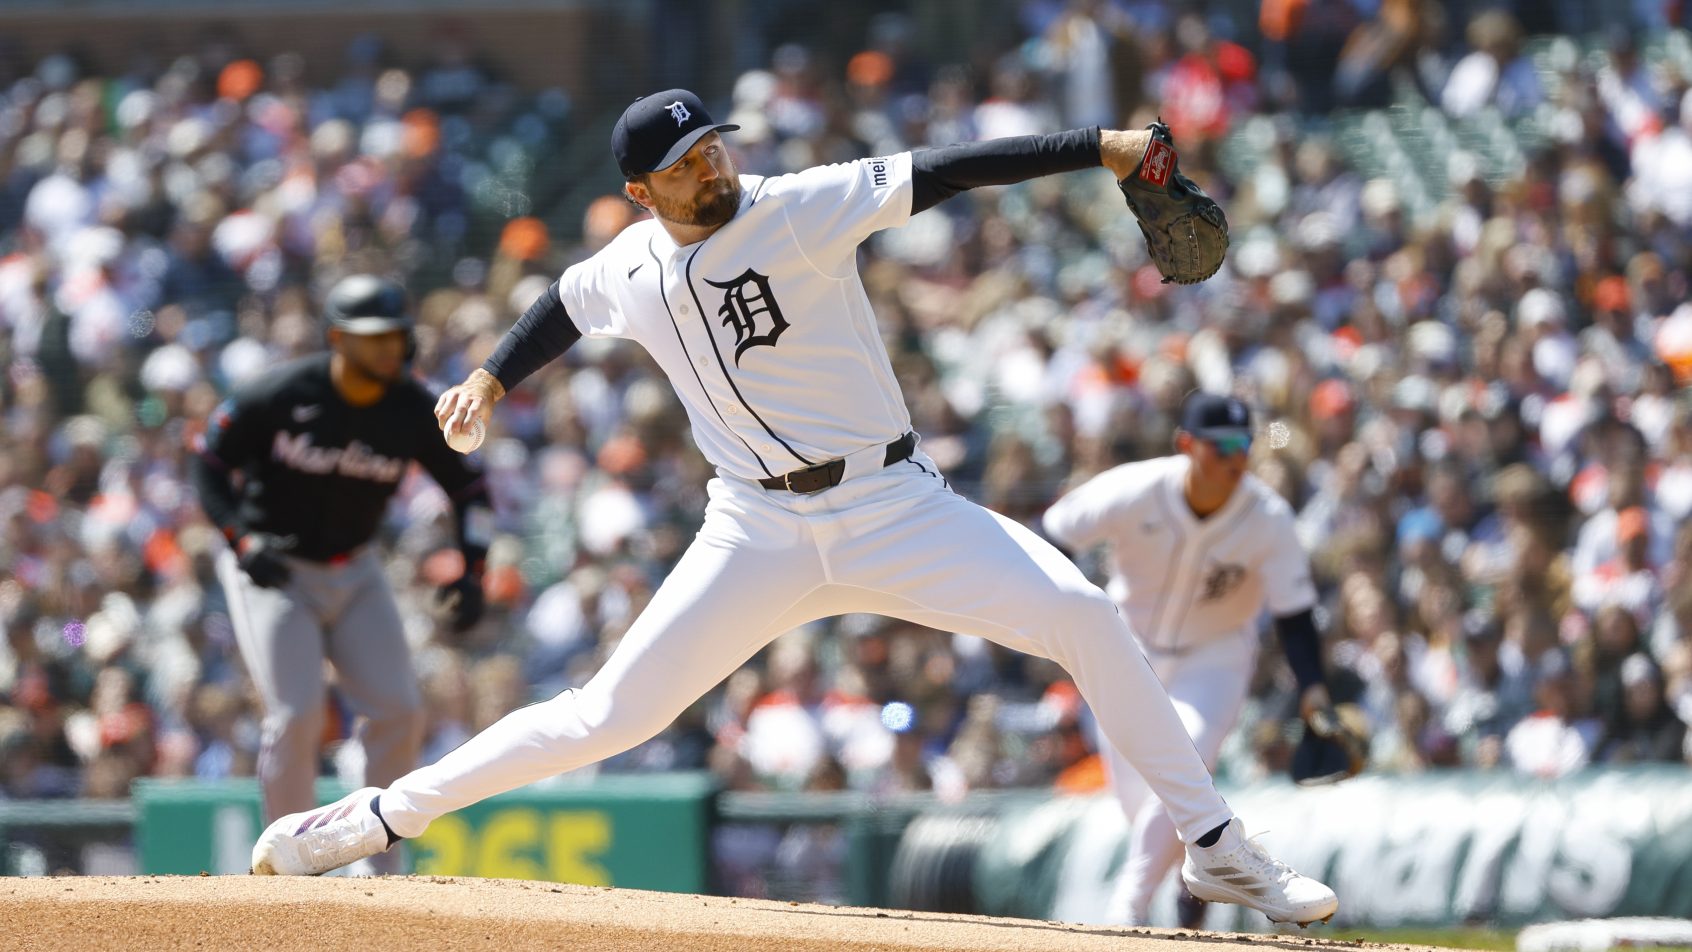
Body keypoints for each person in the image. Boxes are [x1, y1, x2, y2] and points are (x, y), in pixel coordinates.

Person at [249, 89, 1337, 927]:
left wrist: (1094, 146)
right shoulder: (629, 265)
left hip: (892, 502)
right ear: (644, 193)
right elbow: (561, 305)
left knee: (1086, 618)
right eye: (685, 163)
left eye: (713, 144)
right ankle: (377, 816)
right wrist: (488, 378)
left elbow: (948, 171)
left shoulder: (797, 205)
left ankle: (1214, 842)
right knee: (608, 715)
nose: (712, 164)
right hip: (755, 531)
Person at [192, 274, 492, 848]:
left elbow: (470, 490)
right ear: (338, 339)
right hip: (274, 569)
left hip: (355, 569)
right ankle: (286, 865)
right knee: (297, 715)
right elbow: (207, 463)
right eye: (373, 336)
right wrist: (240, 539)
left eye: (395, 335)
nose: (389, 347)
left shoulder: (410, 408)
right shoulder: (283, 392)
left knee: (400, 710)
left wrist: (473, 570)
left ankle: (376, 858)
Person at [1042, 392, 1341, 928]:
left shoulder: (1266, 516)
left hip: (1215, 657)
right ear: (1186, 444)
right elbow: (1056, 532)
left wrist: (1315, 690)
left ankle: (1125, 911)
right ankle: (1189, 894)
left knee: (1188, 764)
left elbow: (1295, 615)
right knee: (1144, 807)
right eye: (1221, 444)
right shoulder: (1138, 487)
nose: (1235, 458)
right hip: (1125, 648)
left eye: (1244, 445)